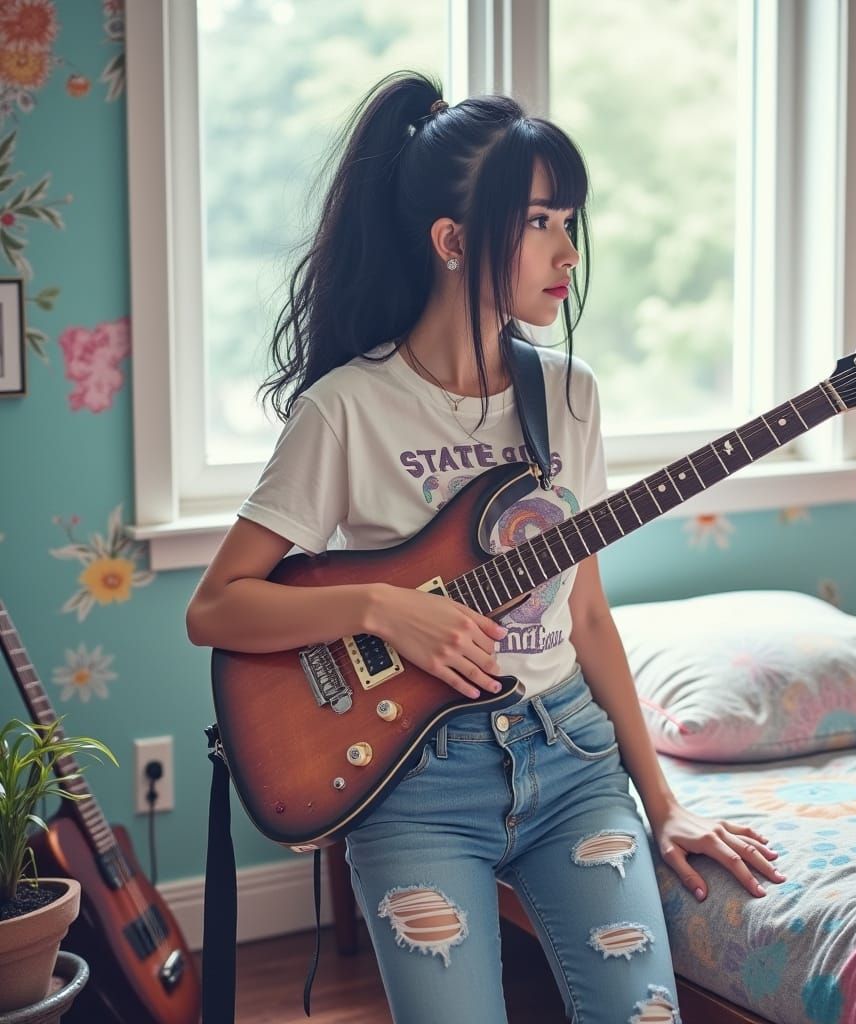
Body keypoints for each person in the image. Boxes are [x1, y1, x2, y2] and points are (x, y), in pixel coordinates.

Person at [185, 70, 785, 1024]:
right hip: (415, 782)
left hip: (572, 759)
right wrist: (385, 608)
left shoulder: (570, 394)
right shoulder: (347, 407)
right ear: (453, 242)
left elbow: (585, 609)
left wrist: (662, 799)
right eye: (541, 221)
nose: (568, 250)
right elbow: (216, 606)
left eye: (572, 221)